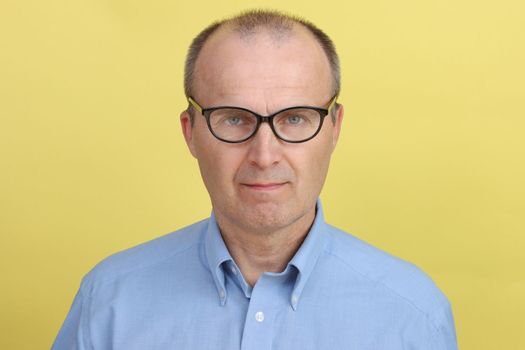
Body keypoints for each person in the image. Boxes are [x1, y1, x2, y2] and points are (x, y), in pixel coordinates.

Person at [53, 10, 457, 350]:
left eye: (295, 118)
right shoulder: (108, 303)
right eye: (234, 118)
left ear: (334, 129)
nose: (264, 156)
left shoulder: (414, 316)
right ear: (190, 131)